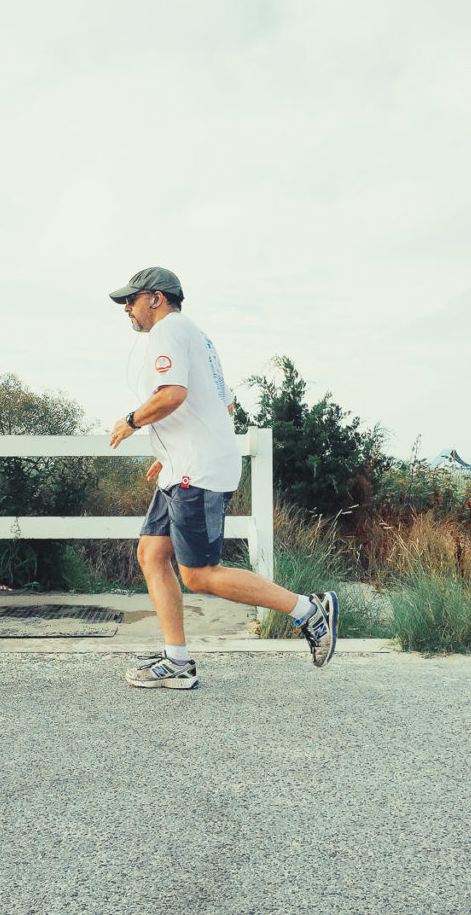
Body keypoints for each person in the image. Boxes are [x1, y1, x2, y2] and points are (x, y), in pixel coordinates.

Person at [109, 266, 339, 689]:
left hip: (195, 471)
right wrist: (171, 450)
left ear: (156, 298)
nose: (127, 307)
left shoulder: (168, 331)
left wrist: (132, 422)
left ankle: (309, 610)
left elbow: (172, 395)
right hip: (187, 465)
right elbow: (222, 406)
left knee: (199, 573)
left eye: (132, 298)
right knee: (152, 555)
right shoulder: (198, 336)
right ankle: (177, 661)